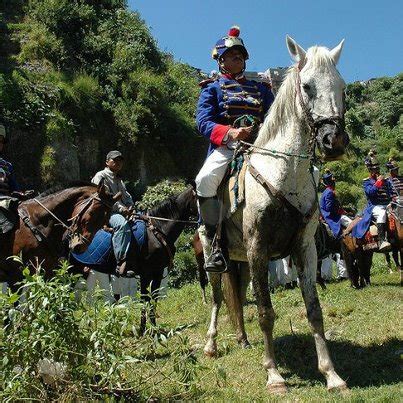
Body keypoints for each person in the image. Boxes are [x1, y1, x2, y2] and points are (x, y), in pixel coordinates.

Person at [195, 26, 274, 273]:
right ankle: (215, 242)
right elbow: (203, 122)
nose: (238, 57)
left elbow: (275, 115)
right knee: (205, 180)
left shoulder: (261, 88)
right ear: (221, 61)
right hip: (229, 146)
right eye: (232, 55)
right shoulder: (212, 89)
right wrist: (229, 132)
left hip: (262, 146)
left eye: (240, 54)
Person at [92, 150, 135, 276]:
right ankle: (120, 262)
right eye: (114, 160)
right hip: (106, 212)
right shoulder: (101, 176)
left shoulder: (119, 180)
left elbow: (127, 196)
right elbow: (104, 198)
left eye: (120, 160)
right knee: (121, 225)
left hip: (122, 211)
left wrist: (131, 206)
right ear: (107, 162)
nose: (118, 162)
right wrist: (123, 209)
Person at [352, 151, 394, 252]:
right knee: (382, 213)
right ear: (370, 170)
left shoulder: (386, 180)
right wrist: (378, 182)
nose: (377, 170)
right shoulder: (367, 181)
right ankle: (382, 240)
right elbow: (370, 193)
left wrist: (393, 200)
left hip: (387, 204)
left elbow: (390, 192)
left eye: (378, 168)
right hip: (375, 206)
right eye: (374, 169)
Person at [319, 169, 352, 238]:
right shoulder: (329, 192)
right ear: (331, 182)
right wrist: (340, 211)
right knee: (351, 224)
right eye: (333, 179)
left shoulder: (327, 191)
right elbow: (329, 208)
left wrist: (343, 210)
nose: (334, 180)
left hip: (330, 213)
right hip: (331, 216)